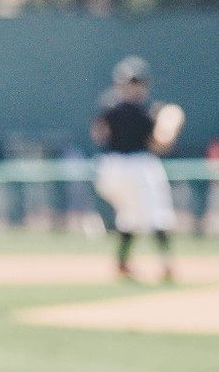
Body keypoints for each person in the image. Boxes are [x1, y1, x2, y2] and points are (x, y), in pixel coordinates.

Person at [91, 55, 184, 282]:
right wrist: (170, 124)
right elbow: (159, 144)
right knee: (157, 214)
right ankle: (166, 264)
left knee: (130, 217)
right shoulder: (144, 113)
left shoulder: (108, 107)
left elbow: (98, 135)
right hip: (137, 165)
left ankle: (122, 264)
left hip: (109, 168)